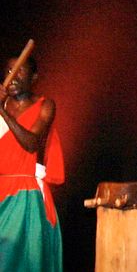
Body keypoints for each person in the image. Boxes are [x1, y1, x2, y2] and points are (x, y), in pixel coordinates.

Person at [0, 54, 64, 271]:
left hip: (25, 195)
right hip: (1, 191)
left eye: (19, 70)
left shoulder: (45, 105)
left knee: (25, 261)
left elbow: (31, 143)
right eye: (9, 72)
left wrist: (2, 111)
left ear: (34, 77)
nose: (13, 77)